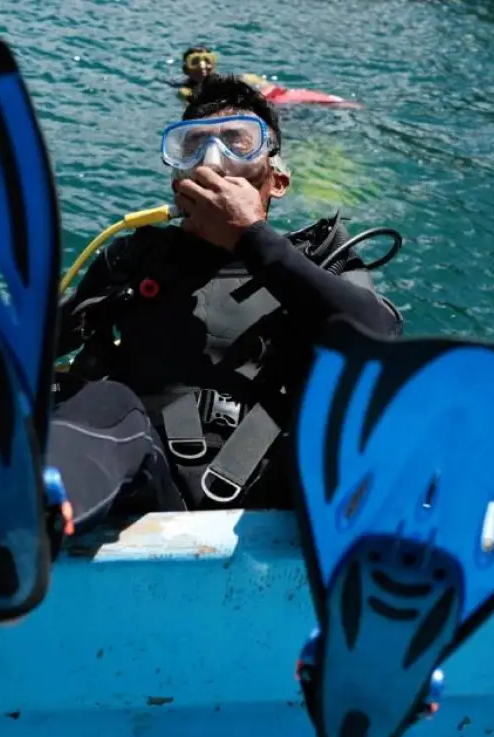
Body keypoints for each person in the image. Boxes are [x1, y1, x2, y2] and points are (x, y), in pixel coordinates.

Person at [47, 74, 403, 530]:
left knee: (360, 423)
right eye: (193, 146)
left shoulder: (322, 258)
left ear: (278, 180)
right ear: (177, 179)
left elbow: (380, 342)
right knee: (99, 399)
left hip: (278, 501)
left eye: (239, 143)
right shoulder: (135, 260)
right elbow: (33, 354)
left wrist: (252, 238)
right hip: (148, 490)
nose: (214, 163)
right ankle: (34, 507)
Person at [173, 46, 273, 103]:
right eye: (194, 62)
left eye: (207, 61)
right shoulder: (185, 90)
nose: (202, 66)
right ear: (186, 69)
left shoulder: (225, 80)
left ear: (213, 65)